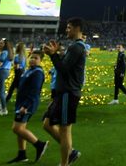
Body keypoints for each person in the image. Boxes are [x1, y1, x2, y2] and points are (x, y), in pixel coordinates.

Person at [42, 18, 88, 166]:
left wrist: (53, 55)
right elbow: (65, 66)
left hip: (68, 93)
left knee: (64, 130)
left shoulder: (77, 47)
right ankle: (71, 152)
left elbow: (63, 69)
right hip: (63, 93)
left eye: (69, 28)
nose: (66, 30)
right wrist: (56, 54)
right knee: (47, 124)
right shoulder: (74, 46)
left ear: (77, 28)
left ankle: (65, 163)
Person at [6, 50, 49, 164]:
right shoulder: (29, 70)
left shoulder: (38, 73)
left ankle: (39, 144)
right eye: (31, 57)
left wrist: (25, 106)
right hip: (21, 103)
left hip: (27, 104)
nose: (33, 60)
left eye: (36, 58)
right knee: (21, 130)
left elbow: (34, 91)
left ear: (41, 61)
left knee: (17, 128)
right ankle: (22, 154)